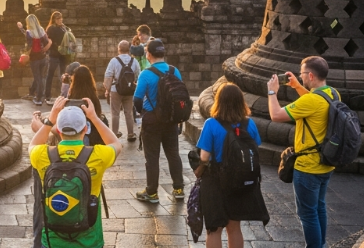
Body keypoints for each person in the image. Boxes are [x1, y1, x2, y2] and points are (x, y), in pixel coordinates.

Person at [29, 96, 121, 248]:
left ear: (58, 130)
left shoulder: (42, 155)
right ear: (85, 129)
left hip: (53, 241)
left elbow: (33, 144)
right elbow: (115, 143)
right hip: (89, 241)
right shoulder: (98, 155)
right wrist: (94, 117)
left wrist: (50, 119)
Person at [267, 56, 339, 248]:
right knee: (319, 207)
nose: (301, 76)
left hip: (308, 167)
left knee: (307, 214)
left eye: (302, 74)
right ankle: (321, 245)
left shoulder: (311, 100)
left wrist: (272, 91)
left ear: (311, 75)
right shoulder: (332, 93)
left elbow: (276, 115)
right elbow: (313, 102)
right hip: (326, 163)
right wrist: (298, 86)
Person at [195, 83, 269, 248]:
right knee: (234, 228)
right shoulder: (249, 123)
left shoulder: (211, 124)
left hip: (215, 181)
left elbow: (204, 157)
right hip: (239, 181)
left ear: (219, 101)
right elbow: (255, 145)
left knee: (214, 230)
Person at [133, 39, 186, 202]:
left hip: (152, 120)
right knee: (173, 154)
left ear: (148, 54)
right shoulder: (174, 71)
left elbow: (137, 99)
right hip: (171, 119)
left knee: (152, 157)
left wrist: (143, 112)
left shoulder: (146, 74)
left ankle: (152, 192)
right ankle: (178, 189)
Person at [103, 40, 140, 142]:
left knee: (115, 113)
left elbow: (108, 76)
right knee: (129, 112)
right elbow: (138, 75)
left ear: (118, 49)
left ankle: (115, 134)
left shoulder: (114, 61)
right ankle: (131, 134)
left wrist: (107, 90)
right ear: (129, 49)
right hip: (129, 90)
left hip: (115, 90)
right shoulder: (134, 61)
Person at [68, 65, 107, 146]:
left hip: (75, 128)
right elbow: (98, 113)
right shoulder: (93, 95)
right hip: (92, 131)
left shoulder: (71, 95)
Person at [18, 15, 52, 106]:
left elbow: (29, 44)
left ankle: (39, 98)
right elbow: (46, 42)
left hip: (34, 59)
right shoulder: (41, 30)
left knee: (38, 78)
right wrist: (21, 29)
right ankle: (32, 93)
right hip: (43, 57)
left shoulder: (29, 32)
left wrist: (25, 53)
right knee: (41, 77)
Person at [44, 12, 68, 105]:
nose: (60, 20)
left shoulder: (63, 27)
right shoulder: (51, 28)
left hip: (62, 55)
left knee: (63, 75)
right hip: (54, 54)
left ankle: (63, 95)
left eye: (61, 18)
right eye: (58, 18)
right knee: (50, 75)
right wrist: (56, 46)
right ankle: (47, 95)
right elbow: (49, 40)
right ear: (54, 19)